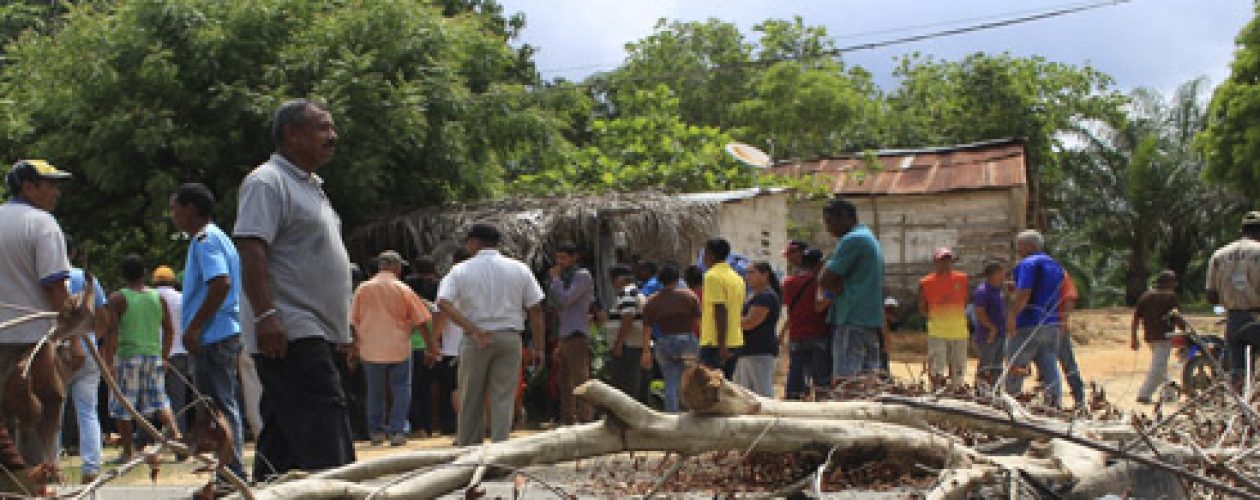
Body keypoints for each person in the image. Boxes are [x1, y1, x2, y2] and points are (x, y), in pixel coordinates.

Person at [235, 99, 356, 479]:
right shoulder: (267, 182)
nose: (332, 137)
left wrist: (344, 326)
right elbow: (252, 249)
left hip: (316, 329)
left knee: (284, 435)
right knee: (324, 419)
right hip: (291, 328)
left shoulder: (312, 186)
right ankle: (342, 490)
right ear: (292, 134)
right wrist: (267, 315)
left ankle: (268, 490)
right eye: (323, 128)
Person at [437, 224, 546, 446]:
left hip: (477, 337)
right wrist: (539, 346)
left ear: (475, 242)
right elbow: (535, 309)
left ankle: (469, 449)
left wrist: (471, 329)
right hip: (509, 336)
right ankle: (500, 448)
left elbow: (443, 303)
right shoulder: (520, 269)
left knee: (470, 396)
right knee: (503, 396)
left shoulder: (460, 270)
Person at [170, 182, 248, 482]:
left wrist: (195, 327)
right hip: (221, 331)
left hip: (214, 334)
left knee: (220, 406)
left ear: (191, 209)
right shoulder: (217, 238)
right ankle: (228, 470)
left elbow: (221, 283)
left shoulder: (206, 240)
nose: (173, 216)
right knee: (218, 403)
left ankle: (231, 472)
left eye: (175, 209)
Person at [0, 159, 74, 474]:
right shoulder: (42, 223)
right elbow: (55, 286)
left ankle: (11, 476)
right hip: (33, 336)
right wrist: (71, 330)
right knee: (44, 403)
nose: (55, 191)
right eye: (49, 184)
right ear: (28, 187)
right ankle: (37, 471)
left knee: (4, 412)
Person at [103, 254, 182, 463]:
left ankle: (128, 452)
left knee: (123, 406)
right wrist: (164, 356)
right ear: (144, 273)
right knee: (160, 401)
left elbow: (112, 332)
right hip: (153, 356)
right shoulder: (158, 298)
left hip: (128, 357)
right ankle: (177, 437)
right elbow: (169, 330)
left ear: (123, 275)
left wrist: (108, 362)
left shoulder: (118, 298)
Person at [350, 250, 433, 447]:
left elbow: (353, 320)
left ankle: (376, 432)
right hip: (399, 347)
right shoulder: (402, 288)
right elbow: (421, 319)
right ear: (396, 267)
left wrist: (354, 346)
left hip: (371, 348)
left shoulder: (363, 288)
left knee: (374, 391)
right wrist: (431, 345)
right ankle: (397, 431)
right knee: (401, 389)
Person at [818, 198, 885, 387]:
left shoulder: (852, 240)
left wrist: (833, 280)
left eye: (830, 222)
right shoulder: (868, 237)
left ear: (846, 218)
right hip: (868, 320)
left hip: (851, 318)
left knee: (846, 384)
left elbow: (824, 279)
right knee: (868, 384)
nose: (828, 229)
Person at [62, 237, 107, 483]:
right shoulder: (86, 278)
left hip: (60, 350)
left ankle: (52, 464)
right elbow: (102, 316)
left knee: (54, 409)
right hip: (89, 350)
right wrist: (95, 341)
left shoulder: (49, 279)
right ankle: (91, 466)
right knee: (88, 411)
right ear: (74, 252)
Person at [1004, 230, 1066, 407]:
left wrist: (1012, 315)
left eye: (1020, 245)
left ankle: (1012, 404)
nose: (1018, 249)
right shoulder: (1056, 265)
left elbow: (1025, 293)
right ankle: (1054, 404)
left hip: (1028, 322)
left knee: (1016, 366)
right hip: (1051, 322)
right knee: (1049, 367)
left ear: (1030, 246)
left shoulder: (1027, 264)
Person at [1205, 211, 1260, 387]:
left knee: (1237, 372)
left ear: (1242, 230)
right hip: (1257, 317)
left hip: (1234, 320)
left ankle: (1240, 406)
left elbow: (1211, 296)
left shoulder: (1218, 255)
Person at [548, 243, 594, 424]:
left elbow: (566, 299)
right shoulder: (563, 279)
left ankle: (585, 419)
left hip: (577, 333)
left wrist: (556, 280)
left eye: (564, 258)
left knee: (580, 380)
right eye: (558, 258)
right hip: (565, 334)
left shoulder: (581, 276)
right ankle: (567, 419)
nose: (560, 262)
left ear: (574, 258)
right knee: (563, 381)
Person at [643, 265, 700, 412]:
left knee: (670, 382)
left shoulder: (652, 301)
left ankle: (672, 416)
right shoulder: (689, 297)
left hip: (664, 342)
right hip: (687, 341)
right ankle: (690, 414)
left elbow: (647, 328)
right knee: (688, 381)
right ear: (677, 279)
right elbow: (699, 322)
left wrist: (646, 352)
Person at [782, 249, 831, 400]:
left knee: (796, 373)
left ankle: (792, 402)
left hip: (797, 334)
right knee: (821, 378)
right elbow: (820, 306)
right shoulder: (820, 283)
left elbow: (788, 306)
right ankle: (823, 407)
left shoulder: (788, 282)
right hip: (818, 333)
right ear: (819, 264)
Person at [918, 247, 969, 389]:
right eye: (942, 260)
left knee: (958, 371)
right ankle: (936, 396)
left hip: (959, 332)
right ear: (935, 262)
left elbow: (965, 301)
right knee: (936, 370)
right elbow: (922, 307)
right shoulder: (926, 282)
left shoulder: (962, 279)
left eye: (948, 260)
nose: (945, 263)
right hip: (937, 332)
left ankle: (957, 394)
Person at [150, 266, 191, 438]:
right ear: (173, 281)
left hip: (155, 353)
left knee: (151, 400)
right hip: (180, 352)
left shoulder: (150, 298)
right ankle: (179, 441)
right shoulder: (182, 299)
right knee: (178, 401)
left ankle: (144, 440)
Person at [403, 257, 442, 437]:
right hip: (429, 349)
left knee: (411, 390)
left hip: (411, 348)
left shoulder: (410, 306)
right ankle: (429, 425)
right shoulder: (433, 306)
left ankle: (417, 426)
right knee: (426, 390)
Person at [1132, 270, 1184, 404]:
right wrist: (1186, 330)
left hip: (1150, 336)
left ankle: (1169, 394)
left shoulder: (1145, 296)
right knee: (1157, 367)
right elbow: (1178, 318)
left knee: (1160, 366)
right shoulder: (1170, 297)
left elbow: (1136, 318)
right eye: (1174, 281)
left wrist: (1134, 337)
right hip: (1164, 336)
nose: (1176, 284)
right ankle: (1144, 394)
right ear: (1168, 282)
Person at [699, 238, 745, 379]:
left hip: (715, 342)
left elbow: (720, 310)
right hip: (735, 339)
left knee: (710, 389)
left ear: (710, 255)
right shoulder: (737, 278)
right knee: (727, 388)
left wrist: (722, 346)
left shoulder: (712, 276)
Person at [734, 262, 781, 398]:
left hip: (760, 350)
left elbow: (750, 322)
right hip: (747, 350)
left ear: (765, 274)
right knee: (743, 393)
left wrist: (730, 321)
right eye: (747, 272)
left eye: (752, 272)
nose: (747, 276)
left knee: (762, 393)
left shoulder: (766, 297)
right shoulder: (753, 296)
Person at [606, 265, 650, 401]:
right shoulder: (637, 293)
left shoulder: (626, 293)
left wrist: (618, 344)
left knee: (624, 387)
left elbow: (628, 318)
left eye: (613, 279)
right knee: (633, 385)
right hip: (633, 346)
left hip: (627, 347)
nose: (612, 284)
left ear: (620, 279)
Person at [971, 262, 1007, 386]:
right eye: (1001, 272)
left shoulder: (999, 290)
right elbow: (980, 312)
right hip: (988, 335)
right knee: (986, 365)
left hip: (1001, 333)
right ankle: (980, 390)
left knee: (997, 366)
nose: (1003, 275)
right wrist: (991, 328)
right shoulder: (983, 291)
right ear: (993, 274)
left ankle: (994, 390)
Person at [1055, 272, 1086, 407]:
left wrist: (1063, 321)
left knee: (1067, 362)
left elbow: (1070, 297)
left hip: (1055, 325)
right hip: (1038, 325)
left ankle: (1079, 399)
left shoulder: (1060, 274)